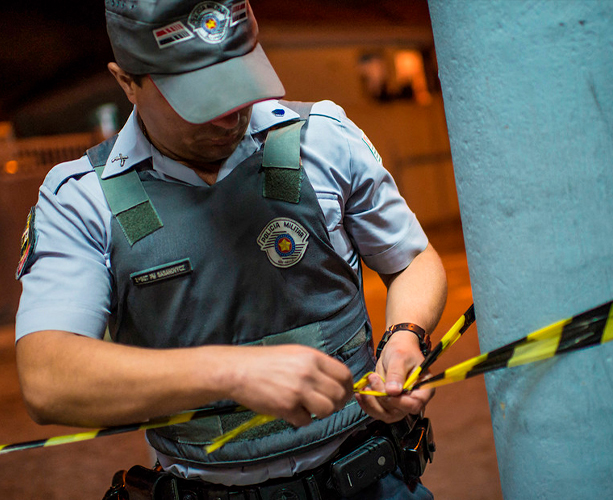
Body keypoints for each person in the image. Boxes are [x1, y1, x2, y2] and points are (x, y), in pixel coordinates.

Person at [14, 1, 447, 498]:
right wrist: (231, 371)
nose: (228, 115)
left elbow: (412, 260)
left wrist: (405, 336)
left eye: (238, 80)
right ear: (126, 80)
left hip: (371, 481)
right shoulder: (82, 198)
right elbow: (49, 379)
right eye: (198, 96)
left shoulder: (322, 140)